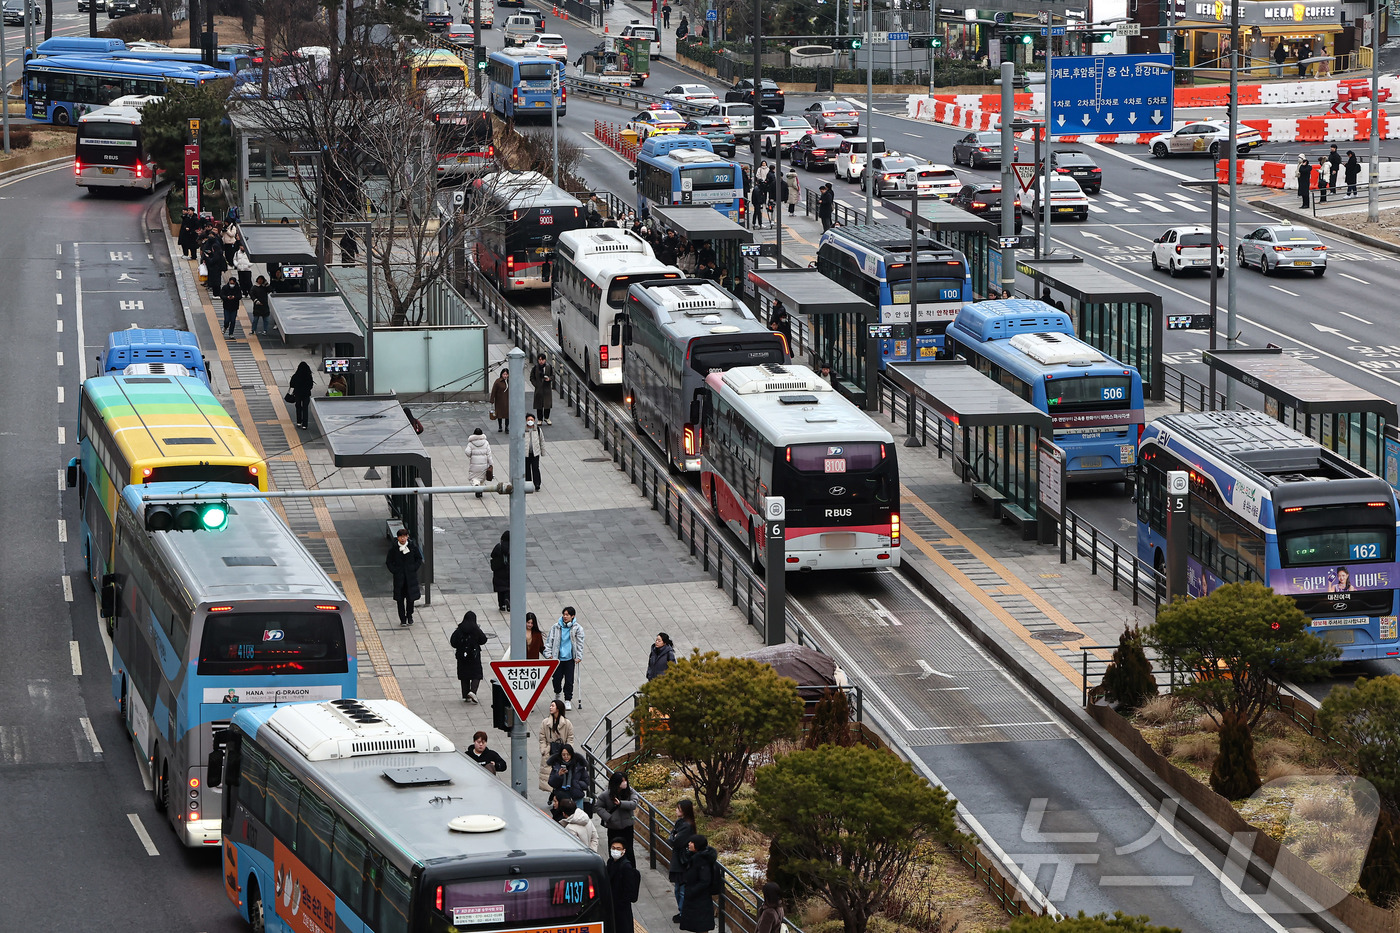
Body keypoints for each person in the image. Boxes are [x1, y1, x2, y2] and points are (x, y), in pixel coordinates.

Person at [546, 607, 585, 709]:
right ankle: (557, 693)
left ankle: (568, 699)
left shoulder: (577, 629)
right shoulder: (556, 627)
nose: (565, 616)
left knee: (569, 680)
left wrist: (579, 656)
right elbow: (549, 640)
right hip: (557, 658)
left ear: (572, 616)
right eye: (564, 614)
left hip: (569, 659)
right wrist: (548, 653)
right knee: (556, 679)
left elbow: (580, 643)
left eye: (567, 615)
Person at [679, 835, 719, 932]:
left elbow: (705, 881)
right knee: (698, 926)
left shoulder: (701, 861)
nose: (689, 844)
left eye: (692, 842)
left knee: (701, 926)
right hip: (697, 899)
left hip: (700, 900)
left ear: (697, 845)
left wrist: (691, 891)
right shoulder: (696, 857)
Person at [597, 771, 638, 864]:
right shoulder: (606, 795)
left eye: (625, 781)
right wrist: (608, 817)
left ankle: (630, 871)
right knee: (614, 850)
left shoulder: (630, 791)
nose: (625, 783)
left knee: (629, 850)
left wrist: (621, 804)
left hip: (627, 826)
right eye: (622, 781)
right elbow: (598, 807)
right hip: (613, 827)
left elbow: (634, 804)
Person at [386, 528, 424, 626]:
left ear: (407, 537)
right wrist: (395, 571)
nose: (403, 539)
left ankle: (409, 616)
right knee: (400, 600)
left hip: (410, 578)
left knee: (410, 599)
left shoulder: (412, 547)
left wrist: (413, 568)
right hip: (399, 579)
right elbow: (389, 562)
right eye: (401, 537)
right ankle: (402, 619)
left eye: (404, 536)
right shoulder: (394, 549)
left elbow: (419, 558)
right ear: (398, 538)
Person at [537, 699, 575, 792]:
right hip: (549, 751)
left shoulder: (567, 723)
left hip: (563, 752)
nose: (550, 707)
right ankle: (553, 794)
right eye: (550, 706)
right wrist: (544, 749)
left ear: (558, 708)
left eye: (552, 706)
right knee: (550, 776)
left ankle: (556, 795)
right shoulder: (545, 722)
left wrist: (568, 750)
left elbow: (570, 738)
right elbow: (542, 738)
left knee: (562, 774)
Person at [667, 799, 696, 922]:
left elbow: (675, 841)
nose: (676, 810)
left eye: (679, 808)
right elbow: (673, 837)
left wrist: (673, 836)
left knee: (681, 889)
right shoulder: (682, 823)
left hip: (683, 862)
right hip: (681, 860)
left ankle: (684, 913)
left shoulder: (686, 826)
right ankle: (682, 912)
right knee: (679, 888)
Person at [450, 610, 489, 701]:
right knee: (476, 674)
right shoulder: (476, 630)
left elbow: (453, 642)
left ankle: (465, 694)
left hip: (462, 657)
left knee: (464, 675)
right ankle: (473, 691)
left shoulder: (459, 630)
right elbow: (483, 640)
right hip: (474, 656)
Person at [607, 837, 642, 933]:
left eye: (618, 849)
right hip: (612, 905)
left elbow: (629, 890)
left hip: (621, 908)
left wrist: (621, 902)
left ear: (624, 851)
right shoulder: (610, 862)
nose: (615, 851)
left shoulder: (626, 866)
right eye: (613, 848)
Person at [465, 427, 497, 498]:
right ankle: (481, 490)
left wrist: (471, 455)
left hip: (474, 464)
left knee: (475, 477)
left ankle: (476, 486)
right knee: (482, 478)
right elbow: (489, 454)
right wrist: (491, 464)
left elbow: (467, 452)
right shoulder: (486, 443)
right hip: (483, 465)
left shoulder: (470, 443)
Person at [530, 353, 555, 424]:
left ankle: (547, 418)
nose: (541, 361)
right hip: (539, 389)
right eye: (539, 359)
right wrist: (536, 384)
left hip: (547, 389)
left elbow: (553, 376)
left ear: (545, 360)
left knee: (547, 404)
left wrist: (549, 379)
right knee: (539, 405)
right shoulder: (535, 368)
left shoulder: (548, 367)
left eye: (542, 359)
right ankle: (540, 419)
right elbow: (532, 377)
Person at [289, 361, 314, 429]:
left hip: (298, 394)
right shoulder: (308, 376)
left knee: (298, 407)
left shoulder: (296, 375)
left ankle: (299, 422)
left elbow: (291, 384)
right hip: (306, 394)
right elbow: (311, 385)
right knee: (305, 408)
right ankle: (305, 425)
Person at [490, 530, 511, 611]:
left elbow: (492, 554)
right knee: (508, 588)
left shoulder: (498, 547)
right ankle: (508, 600)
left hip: (499, 572)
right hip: (508, 572)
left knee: (500, 589)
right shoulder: (512, 548)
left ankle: (501, 605)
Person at [524, 414, 545, 491]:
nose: (530, 421)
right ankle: (528, 484)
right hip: (526, 453)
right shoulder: (523, 430)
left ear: (534, 420)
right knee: (527, 469)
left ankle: (537, 484)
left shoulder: (538, 430)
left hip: (535, 453)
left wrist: (543, 452)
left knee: (535, 468)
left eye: (531, 420)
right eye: (528, 420)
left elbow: (541, 441)